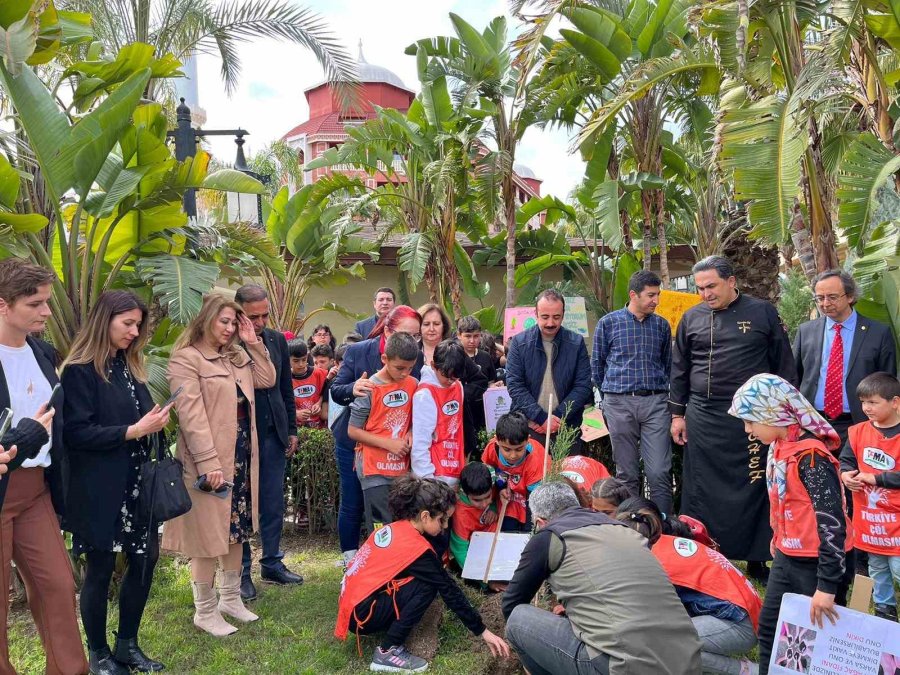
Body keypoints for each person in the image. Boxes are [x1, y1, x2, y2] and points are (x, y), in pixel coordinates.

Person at [61, 291, 172, 674]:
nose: (134, 331)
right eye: (127, 323)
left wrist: (153, 423)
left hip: (137, 483)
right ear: (103, 320)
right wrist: (132, 430)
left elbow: (134, 421)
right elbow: (76, 433)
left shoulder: (128, 365)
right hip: (100, 488)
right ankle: (99, 653)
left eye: (137, 324)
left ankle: (127, 645)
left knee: (144, 561)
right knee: (101, 566)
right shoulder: (79, 370)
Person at [670, 256, 798, 582]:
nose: (705, 294)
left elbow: (783, 365)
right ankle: (704, 552)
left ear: (731, 280)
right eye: (700, 288)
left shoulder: (762, 312)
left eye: (711, 286)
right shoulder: (691, 317)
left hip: (752, 418)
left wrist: (783, 414)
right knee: (700, 486)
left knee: (756, 486)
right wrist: (677, 415)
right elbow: (680, 369)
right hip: (703, 415)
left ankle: (758, 559)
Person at [163, 294, 277, 637]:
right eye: (223, 321)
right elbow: (191, 417)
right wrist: (207, 463)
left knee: (236, 532)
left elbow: (267, 378)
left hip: (240, 457)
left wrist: (252, 342)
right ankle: (205, 610)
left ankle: (230, 599)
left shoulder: (235, 356)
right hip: (207, 461)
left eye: (233, 322)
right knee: (206, 538)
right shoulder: (187, 359)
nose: (229, 328)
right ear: (205, 319)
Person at [502, 481, 702, 675]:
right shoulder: (622, 529)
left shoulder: (549, 536)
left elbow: (511, 605)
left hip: (625, 668)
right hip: (688, 662)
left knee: (519, 619)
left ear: (540, 522)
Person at [728, 373, 853, 674]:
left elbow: (832, 522)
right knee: (771, 630)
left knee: (817, 645)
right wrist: (779, 536)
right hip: (787, 556)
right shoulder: (779, 447)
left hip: (819, 564)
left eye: (751, 420)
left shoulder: (811, 457)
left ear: (775, 413)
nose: (748, 430)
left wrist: (827, 586)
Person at [0, 258, 89, 675]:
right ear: (3, 305)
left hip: (35, 490)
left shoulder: (41, 351)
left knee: (58, 585)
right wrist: (24, 436)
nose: (47, 312)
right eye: (36, 303)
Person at [336, 476, 509, 672]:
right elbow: (449, 590)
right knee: (429, 585)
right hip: (362, 615)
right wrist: (483, 631)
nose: (445, 527)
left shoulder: (394, 528)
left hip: (352, 607)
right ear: (425, 516)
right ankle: (386, 651)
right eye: (442, 520)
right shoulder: (416, 549)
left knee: (425, 579)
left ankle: (389, 627)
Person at [617, 498, 761, 675]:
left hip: (741, 625)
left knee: (661, 646)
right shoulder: (665, 542)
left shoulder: (652, 563)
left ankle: (748, 671)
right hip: (747, 614)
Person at [330, 305, 424, 565]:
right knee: (353, 501)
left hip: (396, 458)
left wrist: (411, 433)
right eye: (406, 333)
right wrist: (354, 387)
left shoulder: (413, 362)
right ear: (387, 331)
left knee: (393, 507)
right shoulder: (360, 352)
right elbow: (337, 390)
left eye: (417, 336)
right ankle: (352, 559)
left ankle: (395, 559)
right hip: (361, 447)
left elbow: (415, 408)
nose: (412, 340)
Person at [234, 284, 303, 601]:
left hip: (273, 433)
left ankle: (272, 563)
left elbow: (285, 388)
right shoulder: (229, 342)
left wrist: (291, 428)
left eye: (264, 315)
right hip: (241, 435)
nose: (260, 322)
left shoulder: (276, 340)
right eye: (253, 316)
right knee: (243, 505)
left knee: (274, 502)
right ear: (238, 313)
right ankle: (242, 570)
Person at [592, 270, 673, 515]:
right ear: (633, 295)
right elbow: (597, 365)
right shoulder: (608, 323)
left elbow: (667, 364)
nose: (655, 301)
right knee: (626, 474)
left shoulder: (661, 325)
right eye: (650, 295)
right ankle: (631, 525)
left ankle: (663, 526)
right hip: (619, 402)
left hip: (655, 403)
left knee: (659, 471)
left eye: (657, 295)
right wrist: (609, 401)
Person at [794, 270, 896, 445]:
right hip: (813, 424)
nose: (825, 304)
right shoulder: (806, 331)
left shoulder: (878, 332)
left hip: (859, 423)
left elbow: (888, 381)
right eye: (820, 298)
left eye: (832, 297)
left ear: (850, 297)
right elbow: (795, 375)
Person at [840, 372, 900, 621]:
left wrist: (874, 479)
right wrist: (846, 476)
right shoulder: (857, 432)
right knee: (877, 571)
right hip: (871, 524)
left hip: (896, 524)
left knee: (897, 570)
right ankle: (886, 622)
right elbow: (845, 461)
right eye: (863, 402)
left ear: (895, 402)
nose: (866, 408)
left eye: (873, 402)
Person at [348, 332, 420, 532]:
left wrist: (412, 432)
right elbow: (353, 430)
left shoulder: (413, 384)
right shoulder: (369, 388)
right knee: (381, 527)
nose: (405, 373)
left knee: (403, 525)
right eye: (399, 368)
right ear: (384, 359)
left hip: (401, 469)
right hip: (374, 469)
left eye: (410, 368)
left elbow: (415, 418)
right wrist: (388, 443)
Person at [506, 289, 592, 455]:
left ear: (563, 314)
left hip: (566, 427)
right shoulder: (519, 343)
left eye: (556, 317)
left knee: (567, 479)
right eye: (545, 317)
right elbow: (515, 386)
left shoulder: (576, 343)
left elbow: (583, 387)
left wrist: (556, 418)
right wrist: (541, 418)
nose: (551, 323)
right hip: (529, 427)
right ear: (536, 313)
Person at [418, 304, 488, 458]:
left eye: (436, 324)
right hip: (422, 430)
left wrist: (457, 395)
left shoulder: (455, 350)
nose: (431, 329)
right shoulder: (412, 353)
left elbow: (480, 380)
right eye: (426, 324)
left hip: (456, 428)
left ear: (444, 326)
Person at [480, 412, 550, 532]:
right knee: (506, 532)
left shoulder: (536, 458)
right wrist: (500, 488)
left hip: (529, 498)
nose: (512, 456)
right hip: (505, 499)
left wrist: (531, 530)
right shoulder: (491, 449)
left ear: (528, 440)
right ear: (496, 440)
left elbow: (534, 500)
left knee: (527, 532)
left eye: (519, 449)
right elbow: (490, 475)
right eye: (506, 449)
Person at [411, 339, 467, 486]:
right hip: (434, 475)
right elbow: (420, 442)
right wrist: (427, 480)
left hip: (455, 468)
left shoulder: (458, 386)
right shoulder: (424, 394)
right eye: (446, 376)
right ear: (433, 366)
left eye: (454, 377)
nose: (450, 380)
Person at [449, 462, 498, 569]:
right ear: (465, 493)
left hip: (495, 545)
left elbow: (496, 496)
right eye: (477, 500)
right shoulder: (460, 514)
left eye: (488, 496)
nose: (484, 504)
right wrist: (485, 581)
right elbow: (460, 551)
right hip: (476, 556)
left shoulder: (490, 480)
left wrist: (494, 508)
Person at [288, 339, 328, 429]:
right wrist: (295, 413)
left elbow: (325, 392)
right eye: (296, 361)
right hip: (296, 429)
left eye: (304, 359)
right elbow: (280, 403)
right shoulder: (285, 378)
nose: (301, 364)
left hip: (319, 429)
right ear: (288, 359)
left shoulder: (319, 373)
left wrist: (319, 403)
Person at [457, 315, 497, 384]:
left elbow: (491, 382)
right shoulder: (453, 356)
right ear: (459, 335)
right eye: (468, 336)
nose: (472, 341)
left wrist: (494, 386)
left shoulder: (486, 356)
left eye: (476, 336)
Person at [328, 344, 349, 430]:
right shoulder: (332, 383)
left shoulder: (360, 381)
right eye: (345, 365)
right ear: (336, 363)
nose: (349, 368)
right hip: (336, 429)